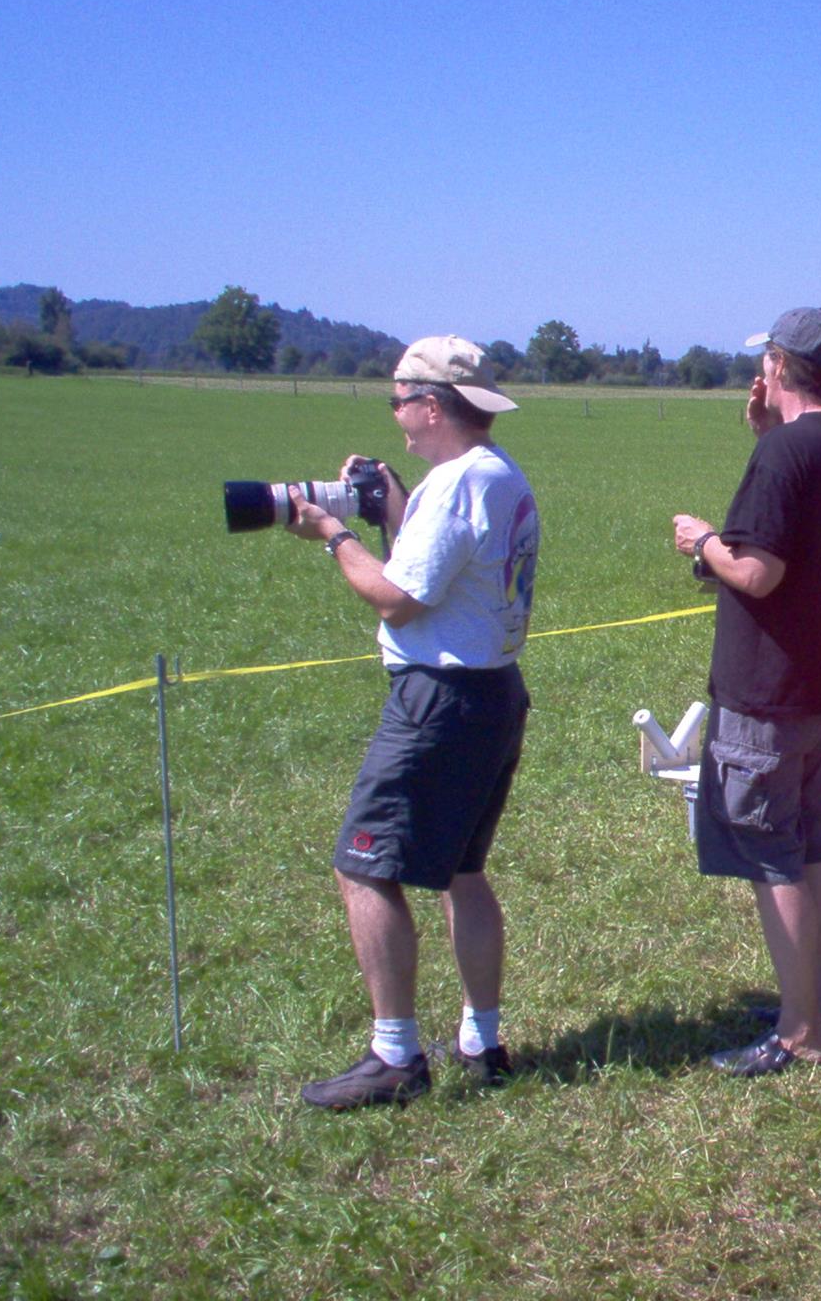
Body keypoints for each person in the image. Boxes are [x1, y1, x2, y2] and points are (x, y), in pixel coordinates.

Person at [289, 336, 539, 1109]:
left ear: (431, 406)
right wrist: (396, 504)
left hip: (438, 701)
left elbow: (398, 598)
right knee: (461, 871)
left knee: (364, 865)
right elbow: (437, 567)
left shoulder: (459, 484)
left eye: (399, 401)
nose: (395, 415)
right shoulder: (494, 474)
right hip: (491, 692)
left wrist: (332, 535)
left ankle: (394, 1056)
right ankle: (482, 1041)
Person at [672, 307, 821, 1076]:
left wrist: (703, 543)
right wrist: (767, 434)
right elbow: (805, 535)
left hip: (771, 687)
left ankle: (800, 1032)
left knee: (772, 858)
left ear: (776, 366)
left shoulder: (787, 452)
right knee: (810, 843)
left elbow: (758, 571)